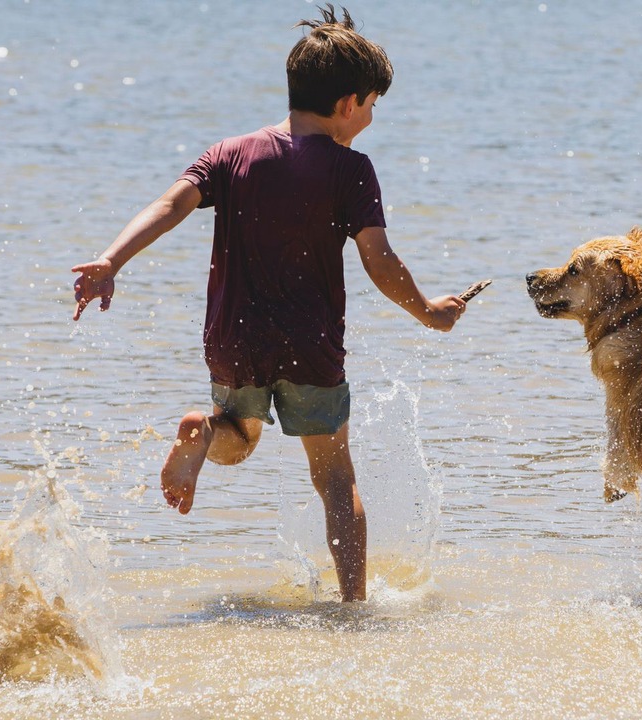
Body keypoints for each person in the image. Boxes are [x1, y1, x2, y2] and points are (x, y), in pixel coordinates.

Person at [70, 6, 465, 602]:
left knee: (238, 437)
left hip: (236, 339)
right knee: (334, 478)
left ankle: (203, 431)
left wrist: (110, 260)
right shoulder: (351, 169)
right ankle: (353, 606)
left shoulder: (230, 154)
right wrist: (429, 312)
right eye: (375, 105)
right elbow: (379, 261)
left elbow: (171, 205)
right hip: (309, 345)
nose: (373, 117)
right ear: (349, 103)